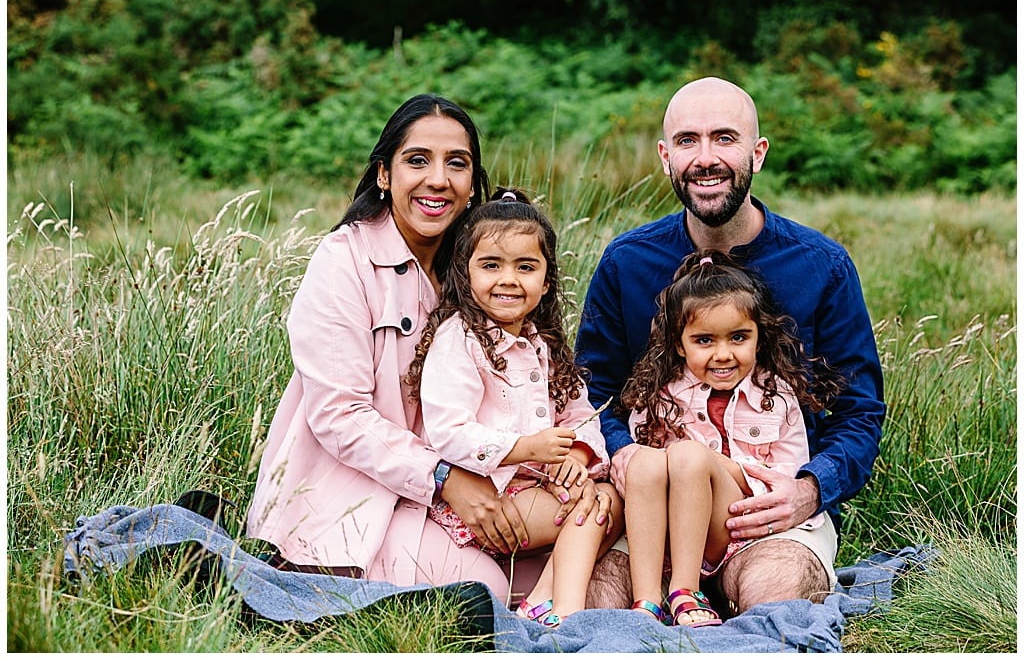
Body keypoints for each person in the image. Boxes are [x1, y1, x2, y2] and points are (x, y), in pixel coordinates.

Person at [247, 94, 613, 596]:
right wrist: (444, 477)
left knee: (598, 526)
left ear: (471, 184)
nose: (438, 179)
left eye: (456, 164)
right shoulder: (344, 261)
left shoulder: (482, 265)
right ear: (384, 174)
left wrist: (571, 460)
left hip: (484, 483)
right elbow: (339, 415)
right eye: (417, 160)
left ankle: (555, 610)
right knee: (480, 591)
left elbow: (545, 392)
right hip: (368, 494)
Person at [576, 76, 886, 614]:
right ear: (666, 157)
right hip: (654, 511)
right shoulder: (627, 263)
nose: (706, 158)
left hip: (768, 517)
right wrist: (621, 452)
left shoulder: (822, 266)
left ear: (757, 153)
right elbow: (591, 391)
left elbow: (859, 412)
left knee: (777, 595)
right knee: (599, 602)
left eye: (725, 138)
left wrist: (809, 490)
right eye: (688, 141)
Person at [405, 188, 625, 627]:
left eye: (526, 267)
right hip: (493, 494)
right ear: (465, 275)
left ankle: (542, 600)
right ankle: (567, 611)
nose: (509, 279)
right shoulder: (460, 340)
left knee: (612, 501)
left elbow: (581, 414)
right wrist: (526, 448)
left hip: (541, 485)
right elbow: (449, 430)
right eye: (491, 265)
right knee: (589, 512)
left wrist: (578, 456)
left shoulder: (542, 344)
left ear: (545, 282)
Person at [618, 249, 846, 626]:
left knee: (689, 457)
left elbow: (784, 480)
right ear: (679, 343)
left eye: (738, 337)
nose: (723, 355)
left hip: (746, 526)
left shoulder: (777, 396)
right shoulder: (657, 396)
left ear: (759, 337)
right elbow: (644, 478)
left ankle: (685, 592)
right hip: (677, 535)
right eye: (704, 340)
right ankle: (647, 601)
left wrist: (714, 466)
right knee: (646, 460)